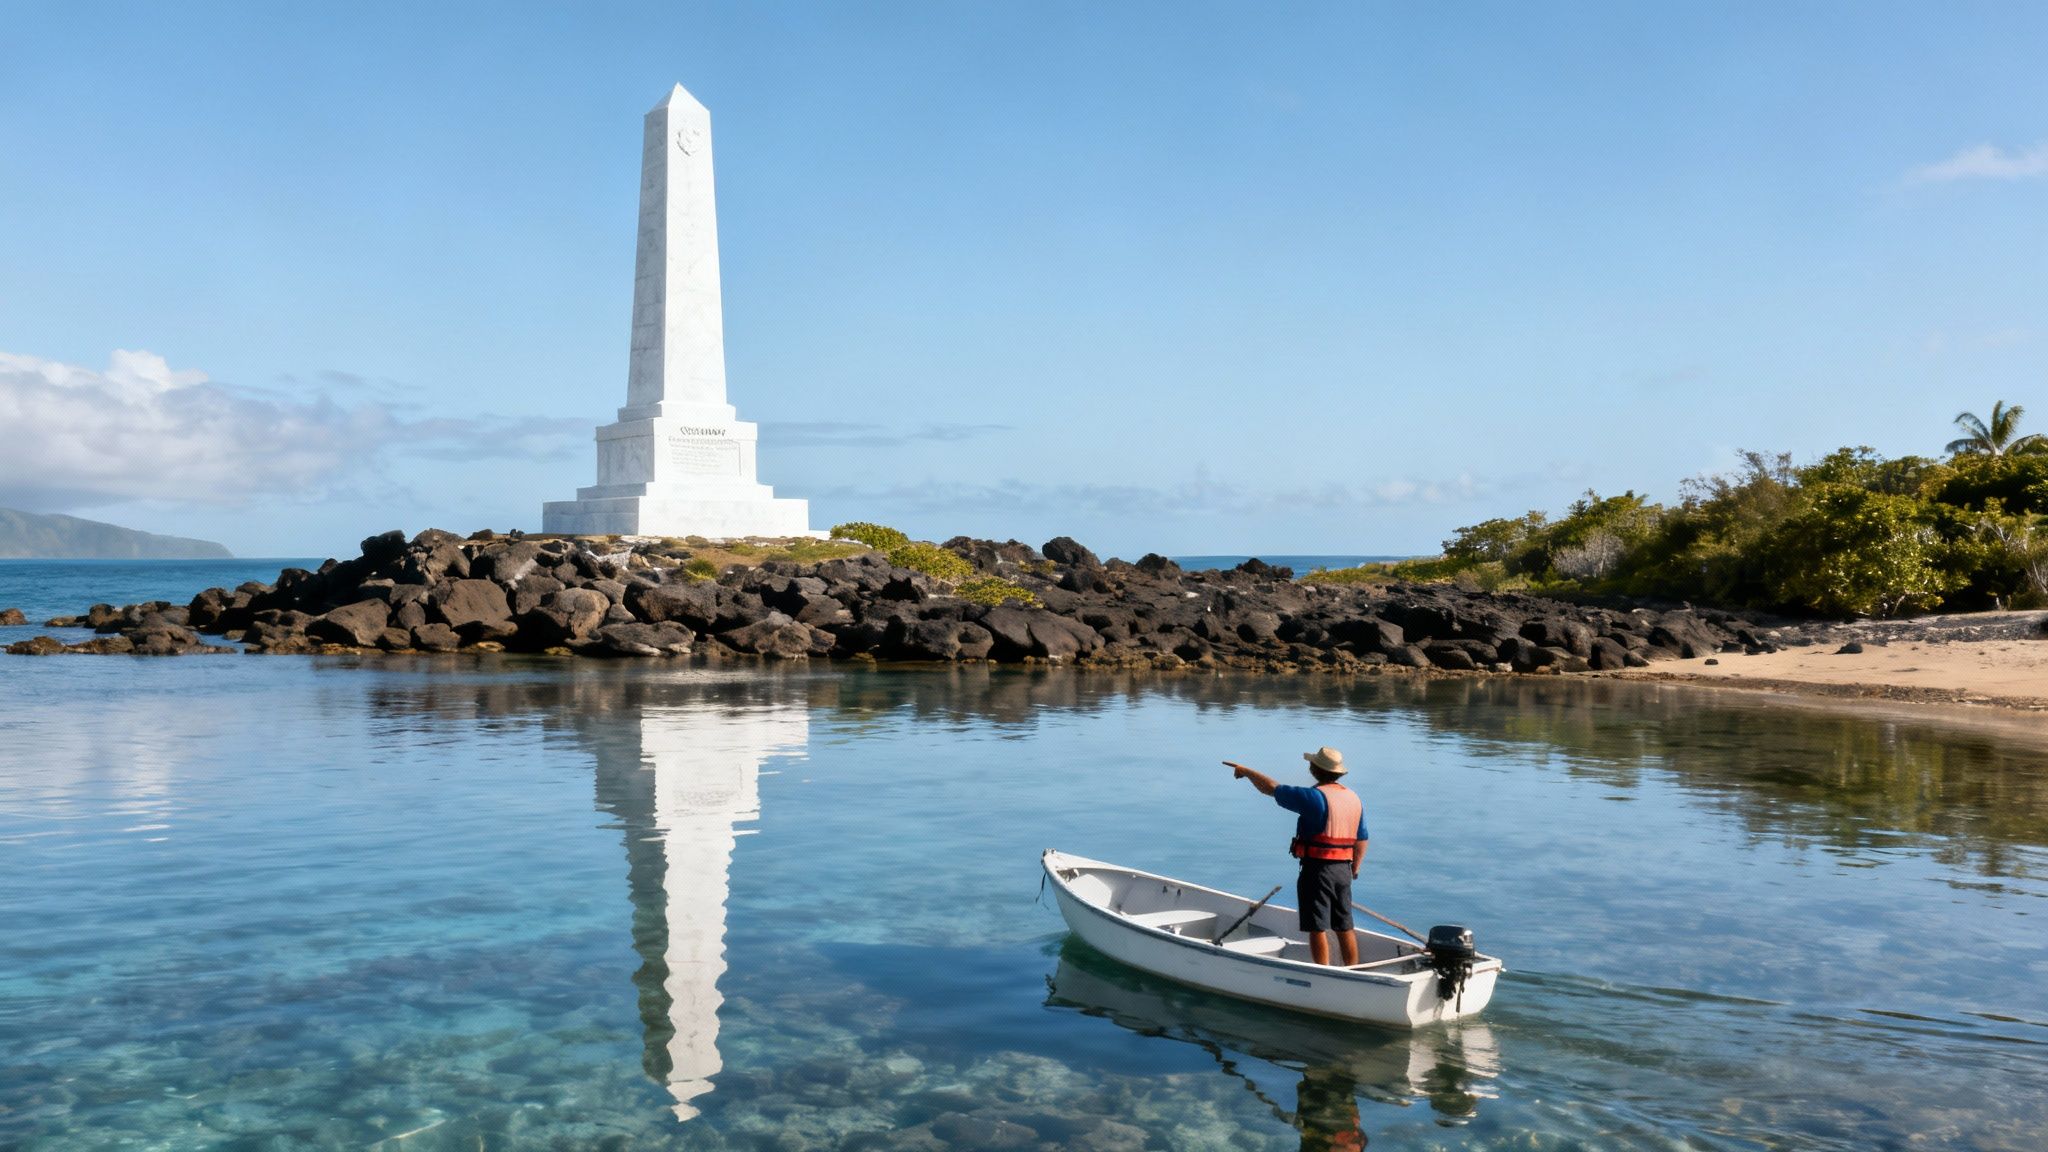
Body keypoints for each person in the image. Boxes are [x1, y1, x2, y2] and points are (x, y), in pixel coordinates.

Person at [1226, 746, 1367, 967]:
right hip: (1343, 870)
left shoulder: (1313, 797)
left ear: (1314, 769)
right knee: (1344, 924)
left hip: (1318, 870)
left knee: (1316, 925)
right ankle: (1354, 969)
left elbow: (1271, 788)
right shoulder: (1353, 798)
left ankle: (1323, 971)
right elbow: (1362, 838)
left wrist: (1246, 771)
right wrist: (1355, 867)